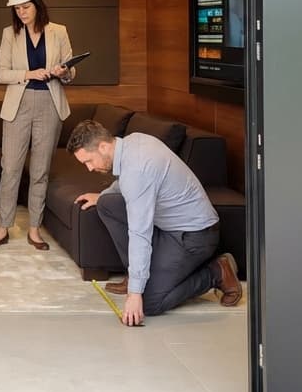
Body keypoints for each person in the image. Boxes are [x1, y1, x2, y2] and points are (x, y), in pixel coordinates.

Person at [66, 119, 242, 326]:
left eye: (89, 161)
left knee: (149, 303)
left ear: (103, 147)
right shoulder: (133, 143)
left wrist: (135, 293)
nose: (89, 168)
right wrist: (102, 195)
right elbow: (126, 182)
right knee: (107, 203)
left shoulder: (137, 170)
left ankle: (216, 272)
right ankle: (136, 275)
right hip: (170, 229)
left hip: (195, 237)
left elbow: (139, 232)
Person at [0, 0, 74, 251]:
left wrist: (64, 71)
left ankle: (35, 229)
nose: (21, 12)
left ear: (38, 5)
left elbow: (71, 71)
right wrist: (28, 74)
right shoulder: (9, 34)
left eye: (26, 7)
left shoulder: (59, 31)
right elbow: (1, 73)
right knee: (10, 168)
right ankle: (3, 227)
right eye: (17, 8)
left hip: (50, 104)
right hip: (19, 106)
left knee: (40, 171)